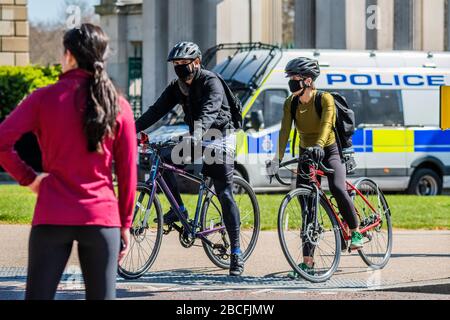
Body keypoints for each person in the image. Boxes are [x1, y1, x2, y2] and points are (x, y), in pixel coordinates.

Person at [0, 23, 137, 300]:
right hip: (102, 219)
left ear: (70, 56)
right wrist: (125, 223)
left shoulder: (43, 98)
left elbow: (2, 141)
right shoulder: (118, 105)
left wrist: (30, 178)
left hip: (52, 214)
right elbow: (127, 173)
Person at [135, 41, 244, 276]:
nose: (180, 68)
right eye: (176, 64)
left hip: (218, 136)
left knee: (224, 191)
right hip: (197, 137)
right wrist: (129, 129)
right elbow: (155, 111)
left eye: (184, 64)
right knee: (162, 161)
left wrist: (195, 135)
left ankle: (236, 251)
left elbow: (210, 112)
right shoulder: (177, 87)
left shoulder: (211, 81)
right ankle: (180, 210)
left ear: (196, 63)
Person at [267, 57, 364, 278]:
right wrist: (276, 159)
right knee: (307, 207)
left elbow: (327, 124)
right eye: (290, 78)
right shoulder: (290, 102)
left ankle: (356, 231)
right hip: (305, 152)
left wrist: (319, 145)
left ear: (308, 81)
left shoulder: (325, 99)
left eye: (295, 78)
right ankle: (307, 262)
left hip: (329, 150)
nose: (291, 82)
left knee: (338, 187)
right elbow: (284, 132)